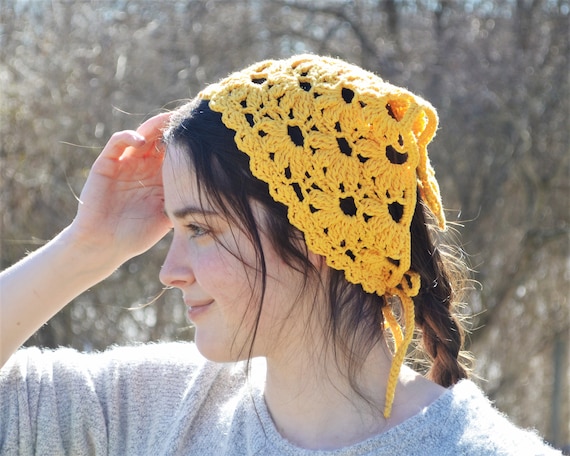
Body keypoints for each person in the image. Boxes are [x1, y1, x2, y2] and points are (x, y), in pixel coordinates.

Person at [0, 55, 561, 455]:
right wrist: (85, 249)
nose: (169, 272)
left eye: (200, 228)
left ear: (316, 234)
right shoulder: (160, 407)